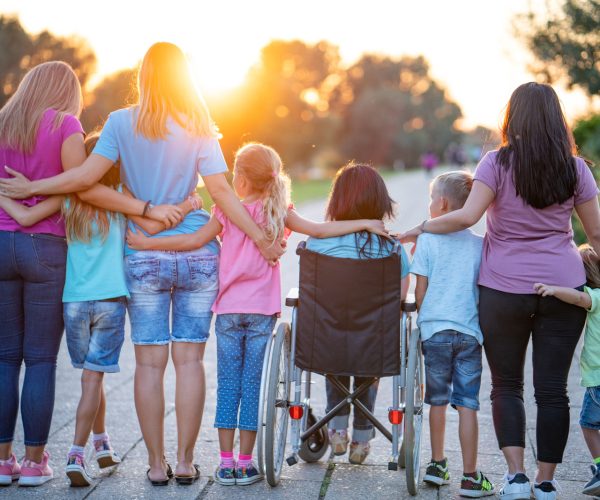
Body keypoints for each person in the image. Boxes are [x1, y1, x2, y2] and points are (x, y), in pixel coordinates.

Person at [0, 43, 285, 485]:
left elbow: (83, 181)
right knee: (190, 362)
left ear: (143, 76)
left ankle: (155, 465)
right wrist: (263, 239)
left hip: (144, 251)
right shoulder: (199, 125)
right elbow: (224, 194)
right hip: (196, 257)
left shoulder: (119, 122)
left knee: (150, 365)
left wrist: (31, 187)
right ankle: (188, 462)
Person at [127, 143, 388, 485]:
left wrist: (146, 244)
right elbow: (321, 230)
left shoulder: (224, 211)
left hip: (229, 312)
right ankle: (246, 463)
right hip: (263, 313)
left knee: (228, 387)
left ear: (241, 180)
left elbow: (193, 241)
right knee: (252, 388)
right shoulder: (279, 211)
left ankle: (225, 463)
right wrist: (366, 223)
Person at [400, 82, 600, 500]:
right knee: (552, 389)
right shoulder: (575, 168)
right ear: (555, 117)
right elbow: (596, 233)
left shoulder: (495, 163)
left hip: (503, 289)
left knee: (506, 384)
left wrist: (422, 227)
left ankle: (516, 477)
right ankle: (546, 482)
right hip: (563, 288)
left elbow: (466, 216)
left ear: (514, 117)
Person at [0, 61, 179, 488]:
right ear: (67, 93)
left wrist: (17, 198)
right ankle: (33, 462)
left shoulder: (3, 120)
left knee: (5, 358)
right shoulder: (65, 125)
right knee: (41, 359)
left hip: (1, 245)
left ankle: (2, 462)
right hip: (45, 249)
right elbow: (80, 184)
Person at [305, 162, 410, 465]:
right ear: (379, 201)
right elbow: (401, 298)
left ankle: (337, 431)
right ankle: (362, 440)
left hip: (328, 337)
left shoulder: (317, 243)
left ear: (337, 200)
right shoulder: (391, 248)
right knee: (367, 363)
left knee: (333, 356)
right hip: (373, 339)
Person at [411, 171, 494, 497]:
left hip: (435, 333)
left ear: (441, 204)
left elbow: (420, 292)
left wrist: (425, 317)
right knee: (468, 404)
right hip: (469, 333)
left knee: (438, 401)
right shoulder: (479, 245)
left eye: (432, 198)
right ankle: (471, 476)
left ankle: (437, 462)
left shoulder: (428, 241)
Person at [534, 245, 600, 497]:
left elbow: (578, 298)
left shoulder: (595, 296)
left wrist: (554, 289)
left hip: (597, 379)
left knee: (588, 424)